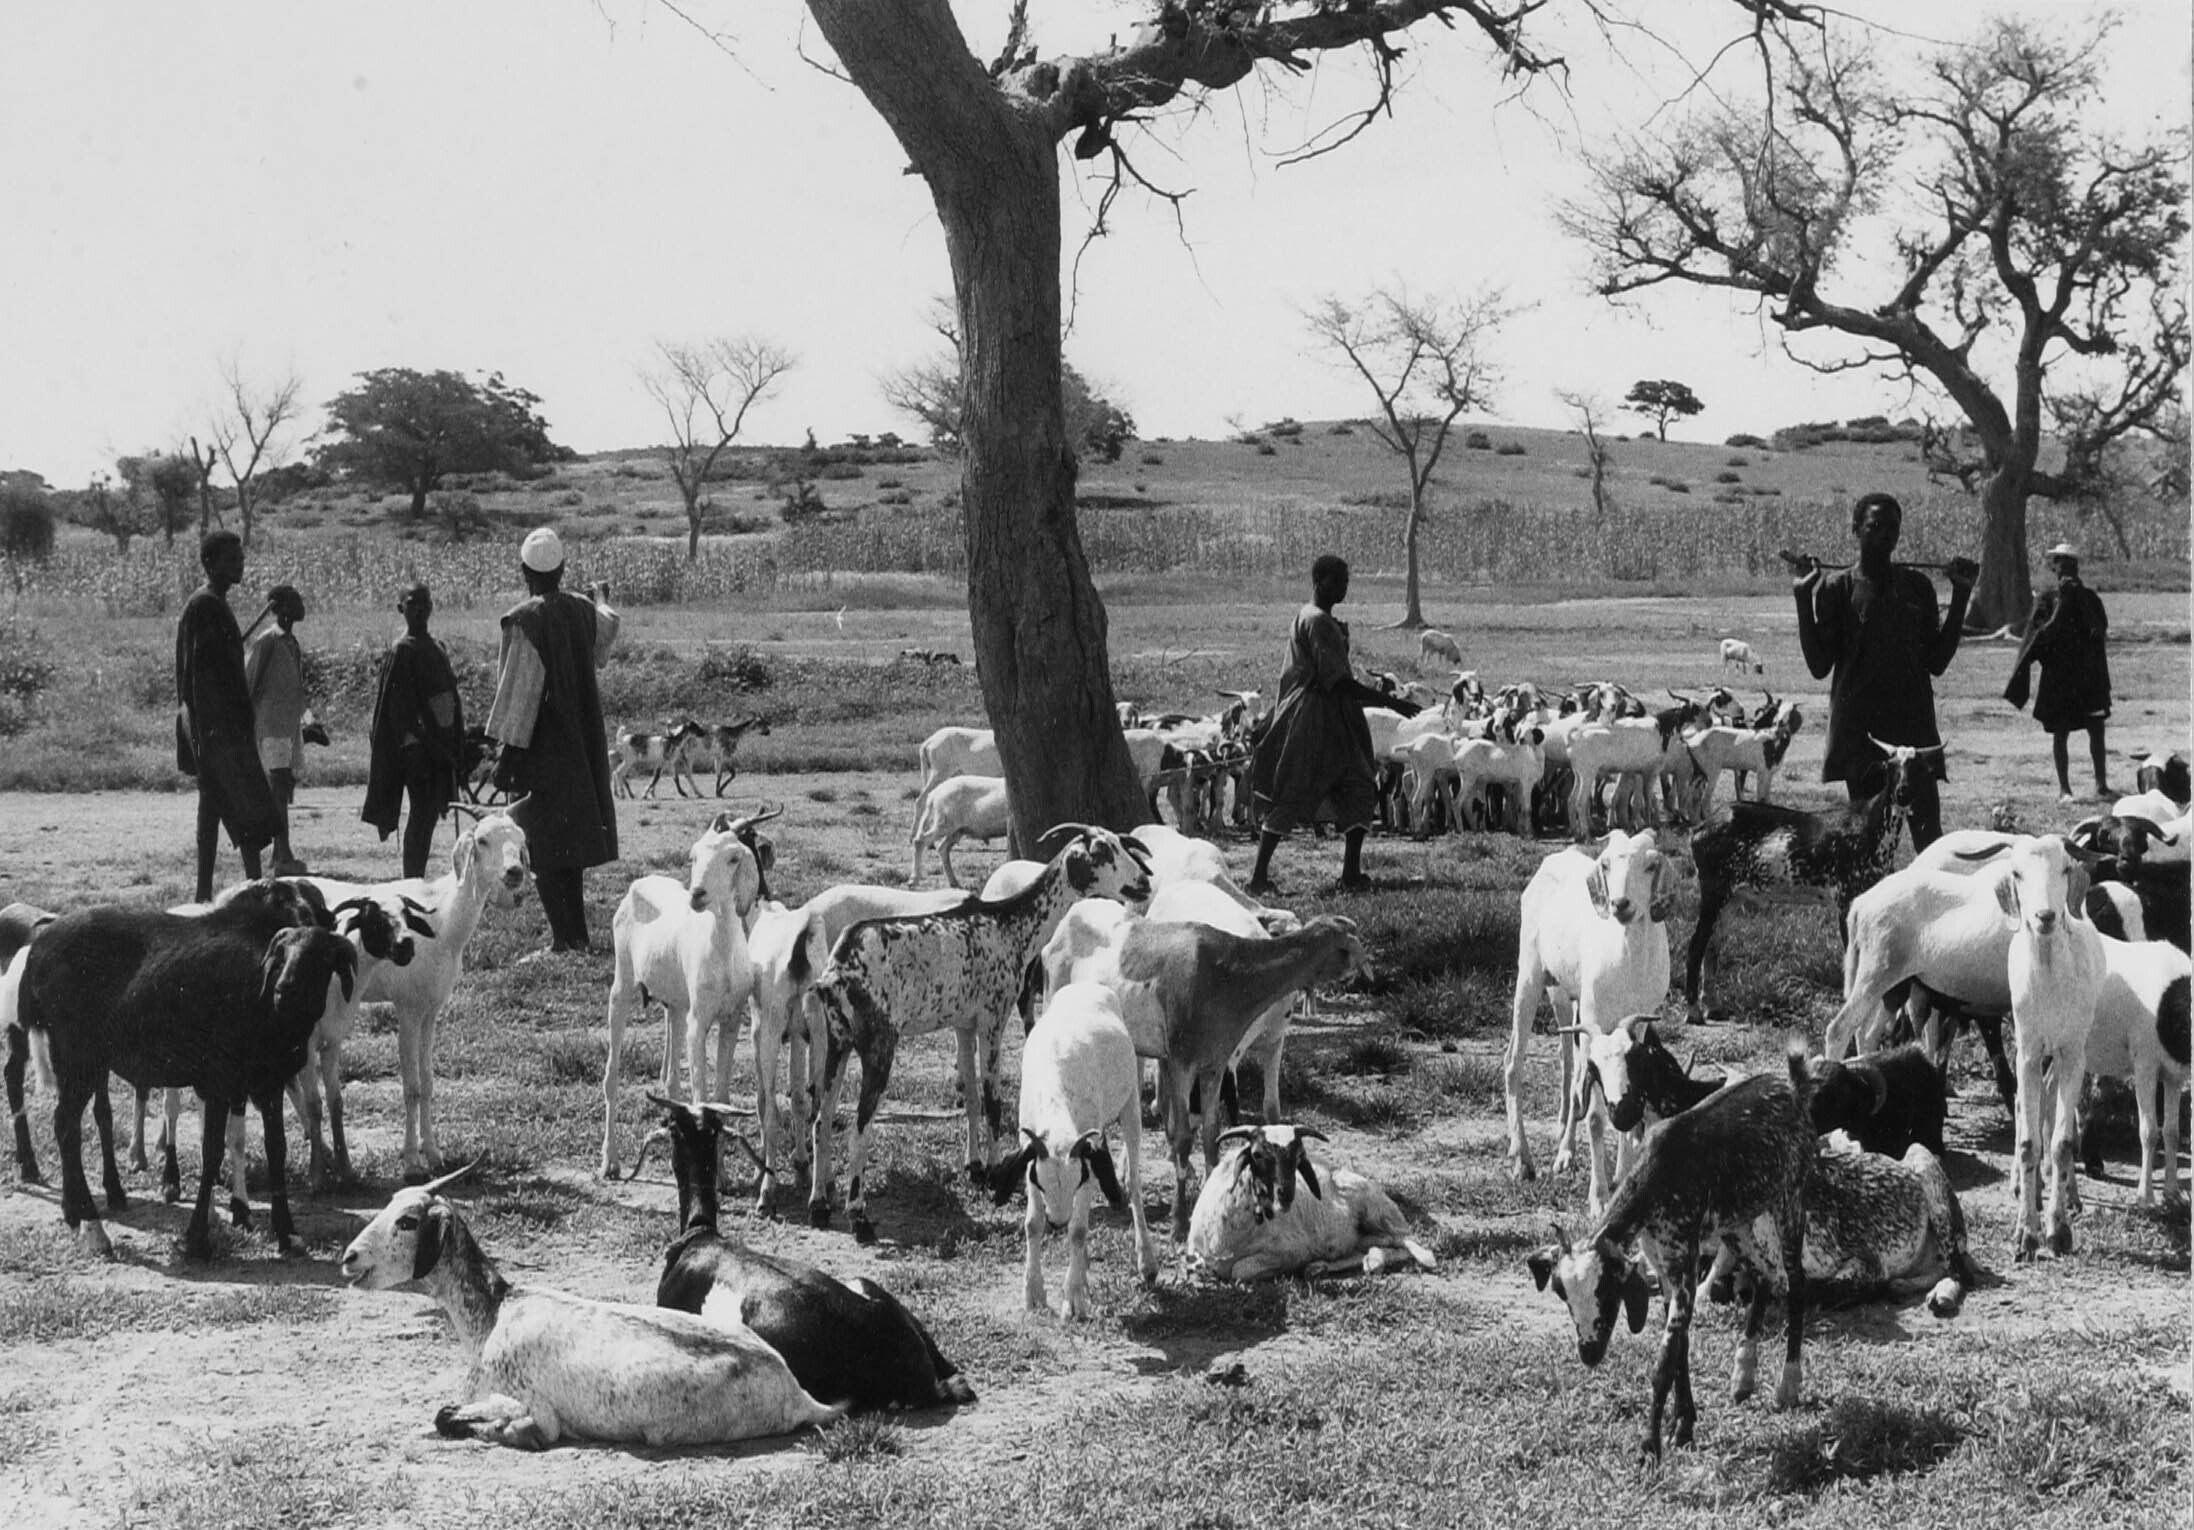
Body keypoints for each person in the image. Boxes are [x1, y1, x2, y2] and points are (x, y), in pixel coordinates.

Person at [1791, 492, 1980, 851]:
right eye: (1875, 525)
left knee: (1929, 839)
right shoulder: (1837, 587)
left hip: (1913, 729)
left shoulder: (1917, 587)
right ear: (1856, 529)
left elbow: (1937, 662)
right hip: (1861, 734)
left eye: (1892, 527)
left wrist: (1960, 596)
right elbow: (1818, 666)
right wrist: (1802, 598)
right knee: (1868, 843)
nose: (1885, 534)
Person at [1246, 554, 1420, 894]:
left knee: (1359, 785)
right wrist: (1389, 701)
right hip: (1315, 721)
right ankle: (1258, 878)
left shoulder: (1309, 616)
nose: (1343, 587)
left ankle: (1351, 874)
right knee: (1293, 789)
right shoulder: (1318, 622)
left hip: (1328, 717)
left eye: (1346, 581)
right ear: (1319, 581)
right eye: (1337, 581)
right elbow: (1337, 681)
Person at [486, 528, 620, 954]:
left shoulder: (525, 619)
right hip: (580, 740)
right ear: (562, 569)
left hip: (543, 745)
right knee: (570, 839)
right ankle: (576, 935)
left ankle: (564, 939)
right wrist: (600, 597)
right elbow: (608, 629)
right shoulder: (582, 609)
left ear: (525, 571)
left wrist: (507, 755)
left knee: (539, 841)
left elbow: (520, 693)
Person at [175, 530, 280, 901]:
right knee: (243, 804)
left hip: (217, 726)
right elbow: (200, 678)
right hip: (217, 727)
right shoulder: (205, 605)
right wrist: (211, 735)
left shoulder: (212, 603)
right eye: (231, 559)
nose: (239, 564)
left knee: (213, 805)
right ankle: (253, 887)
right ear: (209, 563)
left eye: (241, 558)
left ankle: (205, 892)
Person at [364, 583, 468, 878]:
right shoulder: (402, 650)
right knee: (422, 811)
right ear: (401, 609)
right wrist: (432, 743)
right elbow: (401, 711)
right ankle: (412, 880)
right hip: (418, 746)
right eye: (412, 603)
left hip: (440, 744)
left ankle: (415, 876)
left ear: (432, 607)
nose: (420, 609)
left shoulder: (436, 647)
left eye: (425, 602)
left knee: (429, 813)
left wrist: (452, 743)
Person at [2005, 542, 2114, 803]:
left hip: (2088, 676)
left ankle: (2101, 785)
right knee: (2060, 731)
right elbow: (2041, 636)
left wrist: (2079, 600)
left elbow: (2098, 631)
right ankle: (2065, 789)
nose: (2067, 569)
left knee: (2096, 729)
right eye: (2061, 563)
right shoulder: (2046, 600)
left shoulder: (2090, 599)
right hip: (2059, 677)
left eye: (2071, 563)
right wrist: (2062, 604)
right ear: (2054, 567)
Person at [245, 583, 311, 874]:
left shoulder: (291, 642)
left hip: (289, 726)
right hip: (271, 726)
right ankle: (282, 856)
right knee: (278, 788)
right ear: (281, 608)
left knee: (283, 787)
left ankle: (280, 853)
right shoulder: (268, 641)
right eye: (295, 602)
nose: (301, 607)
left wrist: (308, 720)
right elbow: (249, 683)